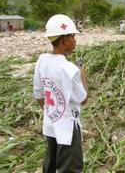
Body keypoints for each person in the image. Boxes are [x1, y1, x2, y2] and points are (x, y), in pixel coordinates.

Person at [33, 14, 88, 173]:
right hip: (68, 127)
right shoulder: (70, 69)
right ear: (64, 40)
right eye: (73, 36)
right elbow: (83, 98)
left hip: (50, 124)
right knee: (70, 168)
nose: (75, 40)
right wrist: (82, 73)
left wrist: (51, 113)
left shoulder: (42, 60)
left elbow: (38, 95)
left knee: (50, 163)